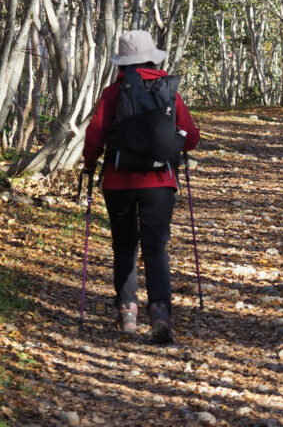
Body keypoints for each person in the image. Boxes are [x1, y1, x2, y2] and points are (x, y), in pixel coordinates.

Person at [82, 30, 200, 343]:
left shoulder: (113, 93)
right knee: (156, 248)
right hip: (160, 182)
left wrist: (89, 163)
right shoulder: (169, 92)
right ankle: (160, 312)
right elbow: (191, 135)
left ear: (123, 63)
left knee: (124, 246)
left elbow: (94, 135)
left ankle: (127, 314)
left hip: (118, 180)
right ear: (152, 58)